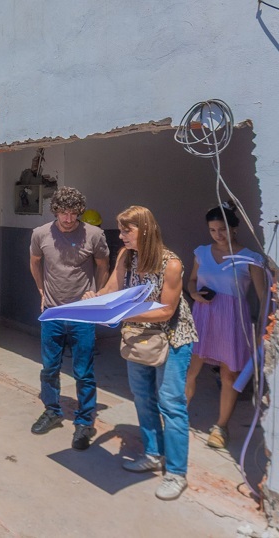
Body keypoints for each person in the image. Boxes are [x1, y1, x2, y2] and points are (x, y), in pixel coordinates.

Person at [85, 205, 198, 501]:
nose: (121, 235)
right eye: (120, 229)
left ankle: (176, 473)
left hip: (173, 339)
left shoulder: (170, 263)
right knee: (143, 397)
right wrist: (94, 298)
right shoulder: (127, 256)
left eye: (126, 230)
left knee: (171, 403)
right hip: (140, 337)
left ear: (145, 230)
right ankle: (152, 453)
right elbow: (112, 287)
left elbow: (166, 310)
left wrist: (125, 312)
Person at [29, 187, 109, 451]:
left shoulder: (93, 234)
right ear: (56, 211)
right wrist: (41, 291)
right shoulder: (41, 234)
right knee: (49, 367)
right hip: (52, 312)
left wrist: (97, 294)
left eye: (73, 213)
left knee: (83, 371)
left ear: (79, 212)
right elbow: (35, 262)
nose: (67, 218)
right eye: (63, 212)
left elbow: (102, 266)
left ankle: (85, 421)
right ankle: (52, 411)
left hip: (82, 314)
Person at [185, 205, 266, 449]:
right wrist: (194, 294)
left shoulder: (250, 257)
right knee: (189, 368)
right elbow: (191, 280)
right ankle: (177, 416)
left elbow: (263, 297)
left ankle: (221, 427)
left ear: (234, 229)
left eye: (222, 229)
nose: (218, 235)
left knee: (228, 373)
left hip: (232, 319)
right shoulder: (201, 252)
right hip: (203, 316)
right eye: (212, 230)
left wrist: (264, 329)